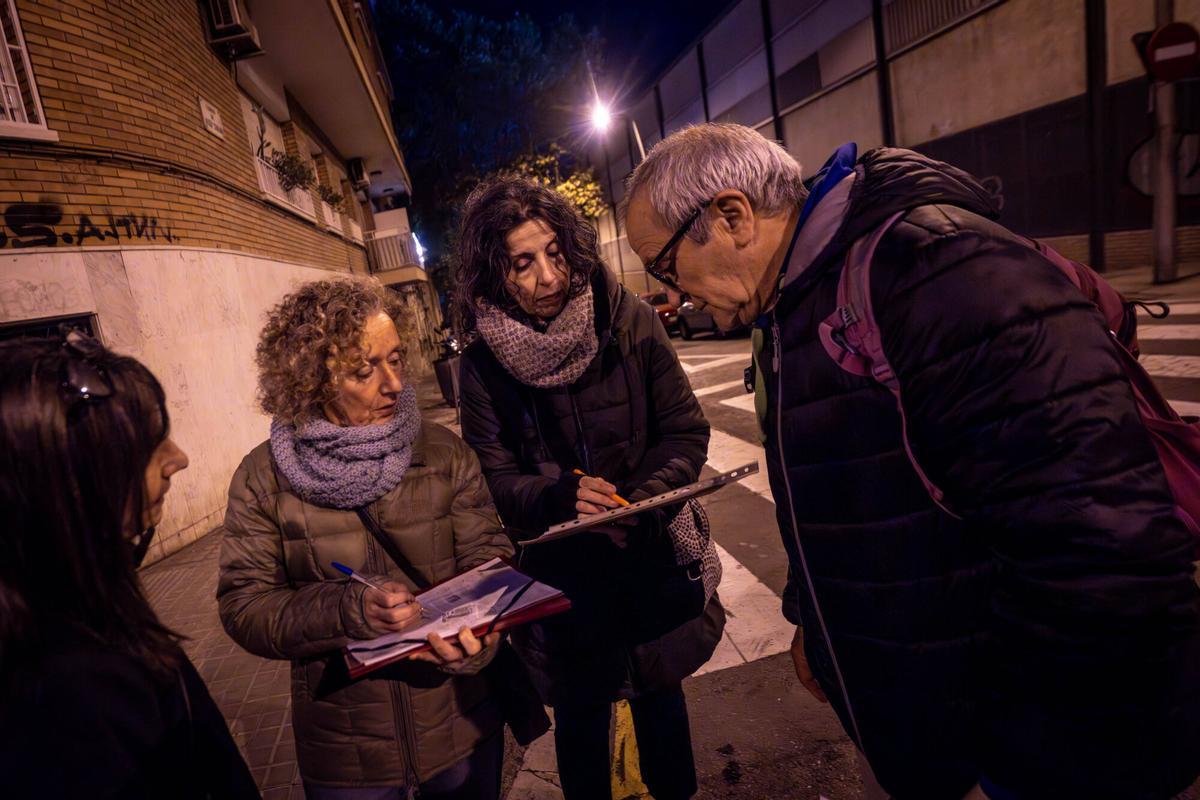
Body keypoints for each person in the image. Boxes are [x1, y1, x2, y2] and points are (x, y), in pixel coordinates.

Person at [621, 123, 1200, 799]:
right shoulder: (799, 298)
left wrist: (1019, 760)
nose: (678, 293)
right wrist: (820, 621)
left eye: (665, 265)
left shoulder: (936, 271)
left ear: (731, 216)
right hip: (940, 720)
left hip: (1042, 748)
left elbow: (1101, 542)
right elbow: (847, 491)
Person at [455, 176, 725, 800]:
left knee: (664, 714)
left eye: (554, 253)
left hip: (647, 559)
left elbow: (683, 431)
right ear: (494, 274)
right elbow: (491, 479)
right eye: (523, 263)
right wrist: (559, 500)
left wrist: (646, 501)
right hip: (562, 588)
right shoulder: (482, 366)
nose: (548, 277)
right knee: (580, 734)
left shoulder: (628, 319)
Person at [216, 279, 518, 799]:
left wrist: (479, 642)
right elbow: (244, 606)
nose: (395, 384)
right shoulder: (263, 476)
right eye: (364, 370)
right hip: (348, 758)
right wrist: (349, 611)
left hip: (459, 730)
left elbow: (490, 562)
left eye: (396, 360)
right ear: (311, 379)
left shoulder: (444, 453)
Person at [0, 331, 260, 799]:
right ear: (68, 479)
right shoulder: (64, 695)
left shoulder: (85, 610)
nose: (178, 459)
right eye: (145, 446)